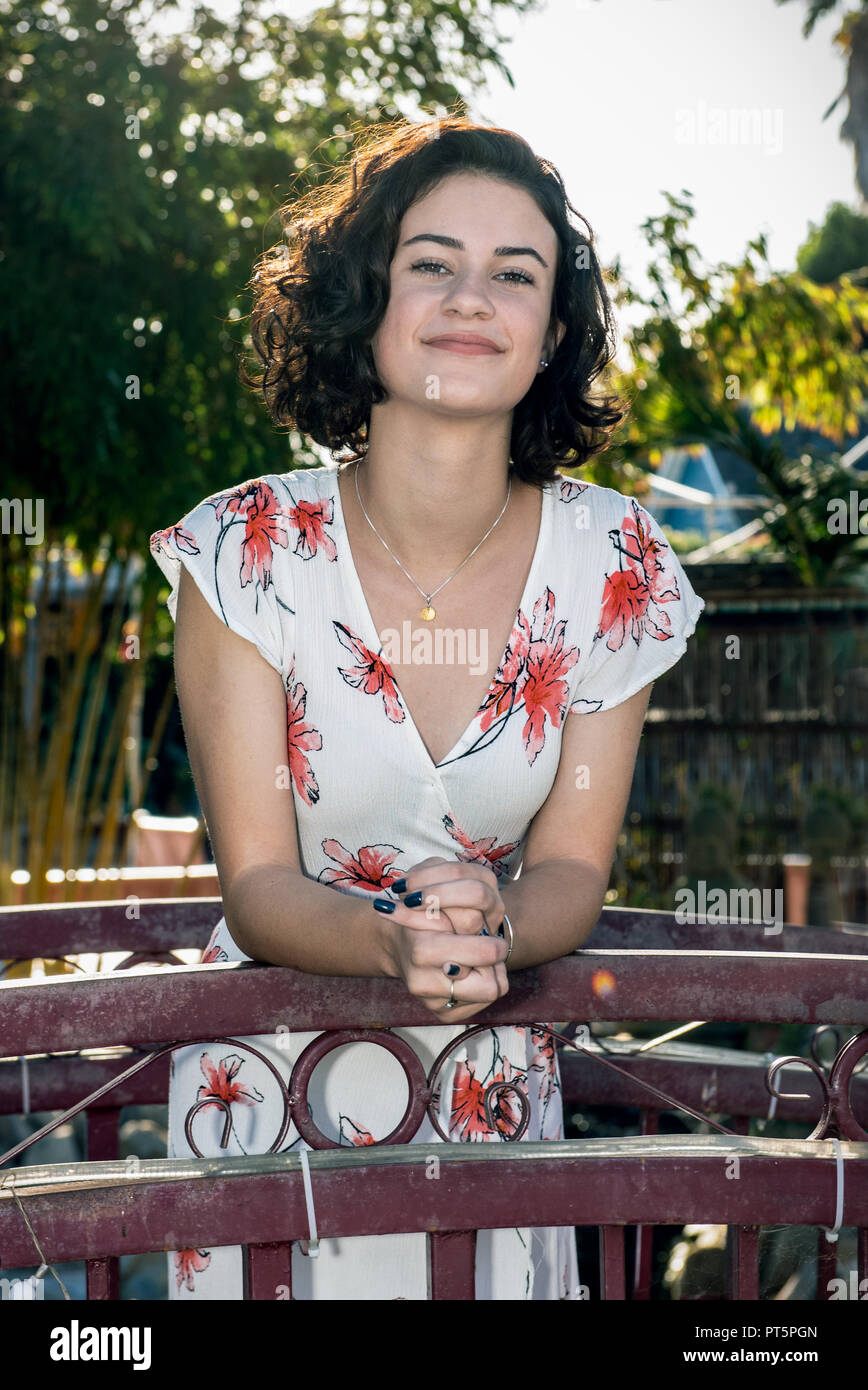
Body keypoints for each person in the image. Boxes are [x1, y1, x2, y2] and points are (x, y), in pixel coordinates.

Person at [149, 115, 705, 1300]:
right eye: (431, 263)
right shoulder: (245, 550)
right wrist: (383, 941)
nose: (470, 298)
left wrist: (493, 922)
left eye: (515, 274)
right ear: (369, 297)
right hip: (272, 1086)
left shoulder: (617, 561)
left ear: (550, 333)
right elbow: (255, 885)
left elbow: (570, 872)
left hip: (486, 1087)